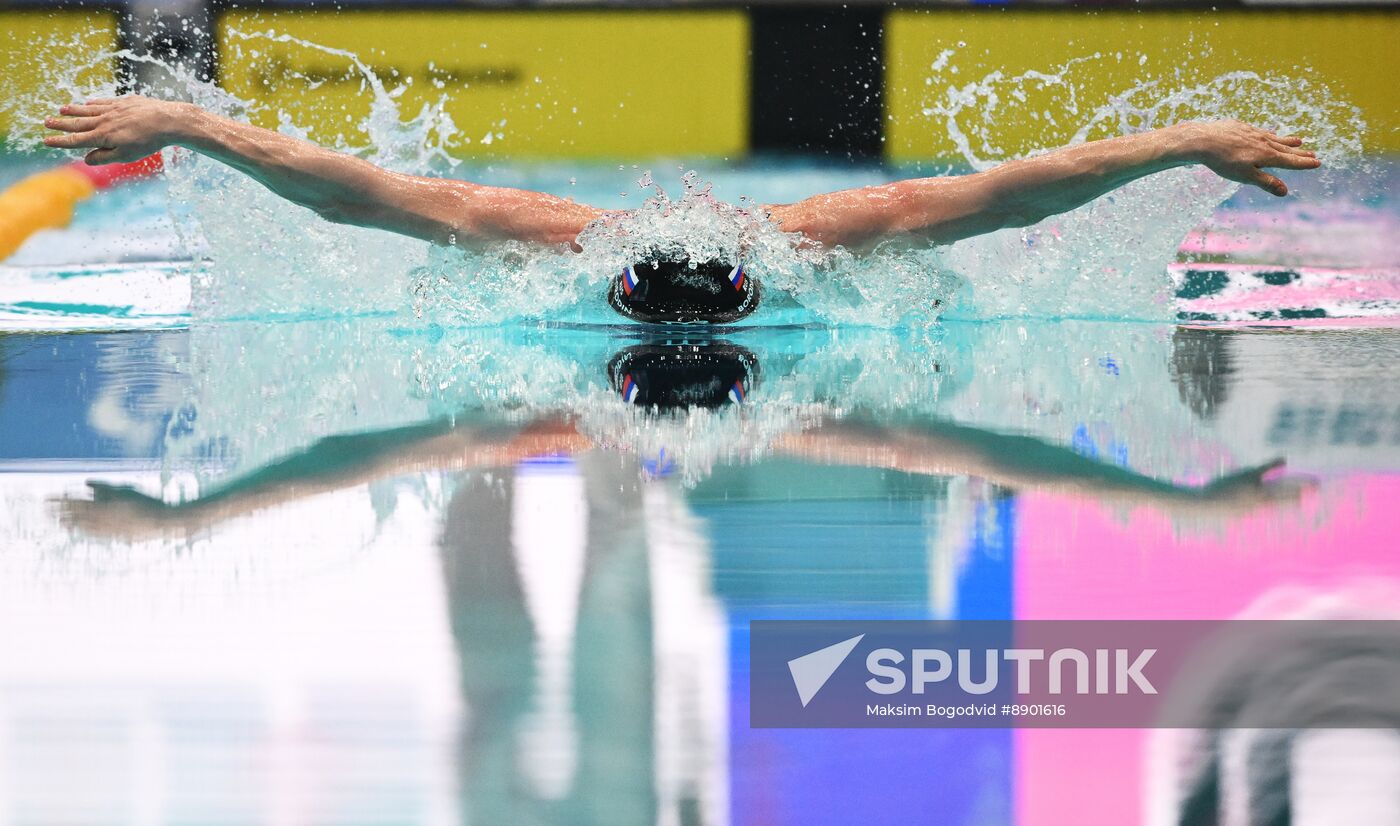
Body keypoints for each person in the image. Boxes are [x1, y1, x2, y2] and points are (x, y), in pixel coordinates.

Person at [43, 95, 1320, 323]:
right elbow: (352, 189)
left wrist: (1175, 145)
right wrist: (187, 123)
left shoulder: (814, 244)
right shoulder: (549, 240)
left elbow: (991, 196)